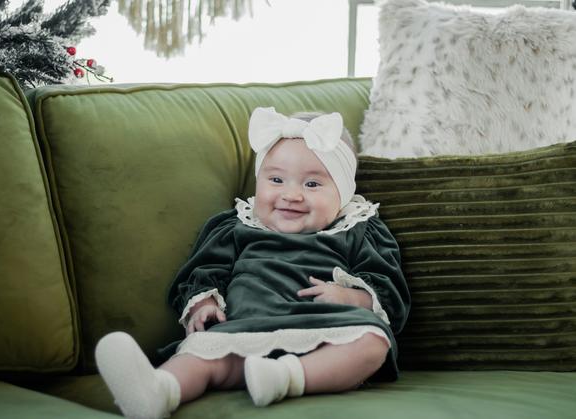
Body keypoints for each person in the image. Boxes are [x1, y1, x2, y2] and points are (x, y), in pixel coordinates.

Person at [95, 107, 411, 419]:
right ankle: (159, 391)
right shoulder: (237, 226)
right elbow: (204, 269)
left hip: (324, 332)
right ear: (259, 181)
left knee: (373, 342)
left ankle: (285, 377)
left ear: (343, 193)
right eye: (276, 179)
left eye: (312, 184)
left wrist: (351, 297)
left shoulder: (357, 227)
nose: (292, 195)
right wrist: (202, 303)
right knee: (202, 353)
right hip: (244, 328)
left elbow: (387, 284)